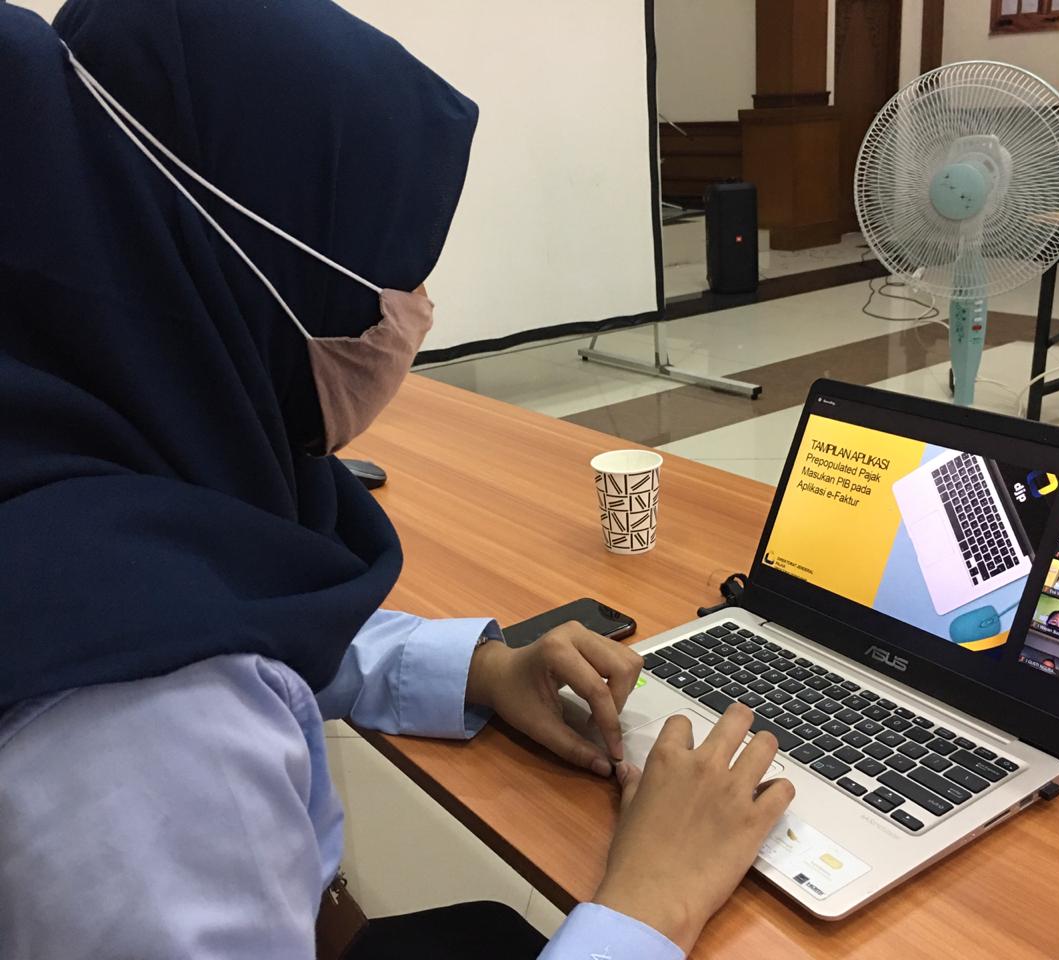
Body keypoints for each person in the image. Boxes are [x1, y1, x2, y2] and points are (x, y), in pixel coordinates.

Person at [0, 3, 793, 959]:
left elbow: (234, 622)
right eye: (392, 275)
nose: (414, 310)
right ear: (260, 281)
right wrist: (651, 904)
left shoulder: (63, 455)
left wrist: (480, 669)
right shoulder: (147, 730)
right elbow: (192, 652)